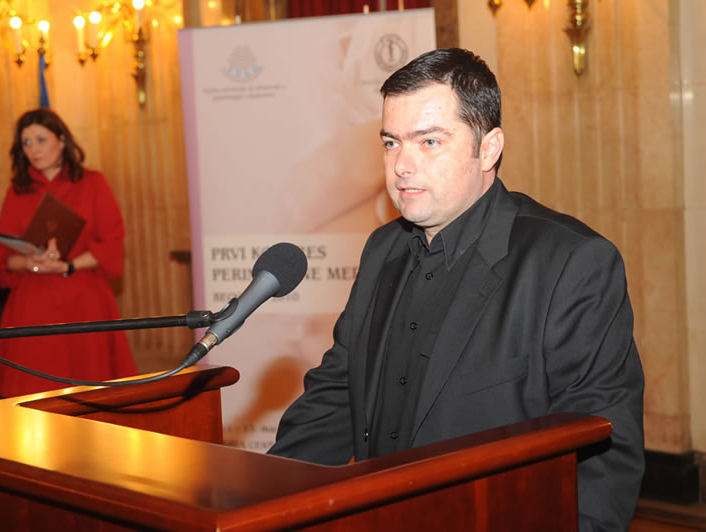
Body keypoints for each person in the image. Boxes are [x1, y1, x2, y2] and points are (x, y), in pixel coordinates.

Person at [268, 48, 644, 531]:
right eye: (391, 143)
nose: (402, 165)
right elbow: (338, 393)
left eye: (429, 142)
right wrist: (262, 497)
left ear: (488, 148)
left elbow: (602, 457)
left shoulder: (571, 262)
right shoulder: (382, 249)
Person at [0, 108, 137, 397]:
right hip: (33, 303)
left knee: (94, 392)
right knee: (33, 395)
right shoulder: (17, 191)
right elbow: (1, 256)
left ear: (62, 140)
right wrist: (28, 261)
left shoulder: (92, 182)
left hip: (84, 299)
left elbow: (112, 242)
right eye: (26, 143)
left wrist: (68, 265)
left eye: (41, 140)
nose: (33, 149)